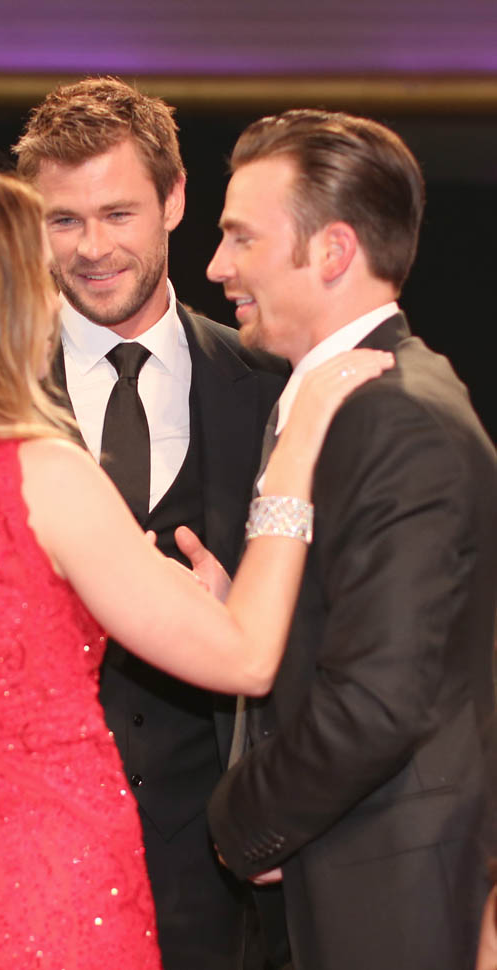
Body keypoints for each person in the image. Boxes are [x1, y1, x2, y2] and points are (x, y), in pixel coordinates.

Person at [0, 161, 391, 970]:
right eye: (37, 274)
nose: (54, 297)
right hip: (60, 893)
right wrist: (296, 449)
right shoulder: (38, 474)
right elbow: (246, 658)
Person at [202, 109, 497, 970]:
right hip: (347, 871)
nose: (216, 266)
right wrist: (240, 613)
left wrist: (239, 823)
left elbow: (379, 700)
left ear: (332, 251)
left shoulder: (395, 416)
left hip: (388, 894)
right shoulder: (349, 403)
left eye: (241, 238)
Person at [12, 76, 288, 970]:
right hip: (27, 850)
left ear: (173, 201)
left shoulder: (270, 384)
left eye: (118, 214)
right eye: (63, 220)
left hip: (220, 855)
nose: (92, 248)